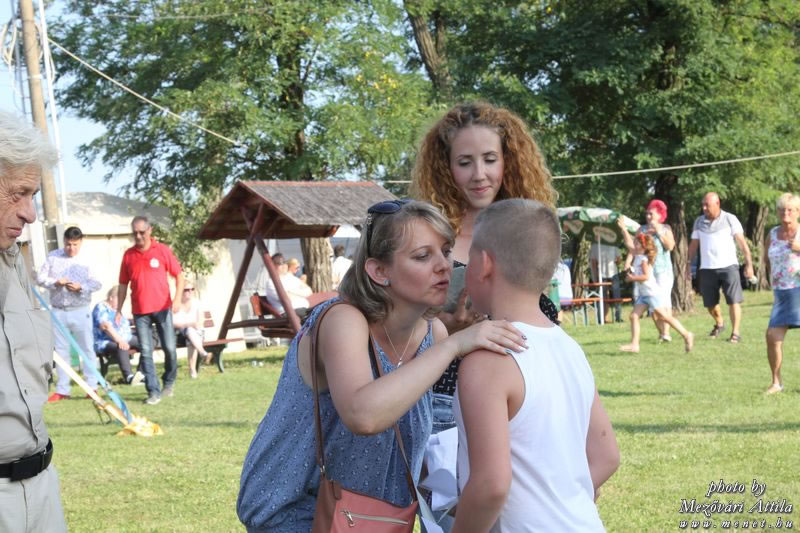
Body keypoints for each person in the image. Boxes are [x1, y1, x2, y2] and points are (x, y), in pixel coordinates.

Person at [237, 200, 527, 532]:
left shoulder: (433, 333)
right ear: (379, 271)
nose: (443, 266)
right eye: (422, 256)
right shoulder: (343, 320)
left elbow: (412, 437)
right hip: (296, 514)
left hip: (375, 519)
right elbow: (364, 415)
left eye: (446, 251)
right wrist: (453, 347)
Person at [411, 101, 559, 529]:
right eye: (465, 162)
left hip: (525, 405)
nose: (479, 174)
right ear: (446, 168)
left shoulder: (527, 226)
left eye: (490, 159)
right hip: (445, 411)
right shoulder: (429, 238)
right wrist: (446, 329)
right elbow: (394, 334)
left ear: (508, 160)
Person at [452, 199, 620, 532]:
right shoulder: (570, 348)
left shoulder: (489, 359)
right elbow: (606, 456)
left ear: (483, 264)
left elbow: (491, 486)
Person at [0, 110, 67, 531]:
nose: (30, 214)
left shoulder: (13, 261)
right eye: (18, 194)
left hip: (40, 485)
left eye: (33, 195)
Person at [116, 215, 184, 405]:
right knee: (146, 351)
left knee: (170, 348)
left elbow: (179, 275)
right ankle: (153, 391)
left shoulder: (162, 250)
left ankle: (169, 382)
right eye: (134, 233)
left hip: (163, 309)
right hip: (140, 311)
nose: (138, 236)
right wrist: (119, 310)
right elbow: (122, 285)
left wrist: (177, 299)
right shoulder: (128, 255)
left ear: (150, 230)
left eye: (141, 232)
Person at [37, 226, 102, 402]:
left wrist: (81, 287)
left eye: (74, 245)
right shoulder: (53, 257)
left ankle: (92, 387)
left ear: (80, 242)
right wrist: (55, 282)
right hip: (59, 310)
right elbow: (40, 278)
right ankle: (63, 389)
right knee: (61, 351)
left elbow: (97, 283)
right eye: (68, 244)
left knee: (87, 348)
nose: (71, 248)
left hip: (80, 309)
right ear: (63, 241)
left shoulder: (87, 259)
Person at [620, 234, 694, 354]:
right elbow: (629, 244)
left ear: (643, 246)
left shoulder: (643, 260)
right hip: (644, 294)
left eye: (637, 243)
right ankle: (634, 345)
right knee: (633, 316)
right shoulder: (637, 256)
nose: (634, 244)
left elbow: (646, 276)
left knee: (664, 317)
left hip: (652, 294)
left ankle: (686, 334)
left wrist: (632, 278)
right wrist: (623, 229)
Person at [620, 199, 676, 342]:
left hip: (663, 272)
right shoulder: (642, 229)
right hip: (647, 274)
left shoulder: (666, 228)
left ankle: (666, 333)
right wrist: (628, 262)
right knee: (653, 306)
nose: (648, 216)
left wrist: (658, 232)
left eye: (651, 214)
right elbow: (634, 248)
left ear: (660, 214)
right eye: (647, 214)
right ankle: (662, 333)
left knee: (663, 302)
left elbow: (670, 246)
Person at [763, 193, 800, 394]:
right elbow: (766, 258)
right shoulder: (773, 233)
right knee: (772, 336)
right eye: (782, 209)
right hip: (781, 292)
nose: (785, 213)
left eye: (790, 209)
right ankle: (776, 383)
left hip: (798, 289)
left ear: (798, 212)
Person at [92, 285, 145, 385]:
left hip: (125, 337)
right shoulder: (101, 307)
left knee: (145, 344)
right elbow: (105, 326)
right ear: (111, 297)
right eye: (120, 299)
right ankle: (129, 377)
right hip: (105, 341)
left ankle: (140, 374)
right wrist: (119, 340)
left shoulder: (116, 309)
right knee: (121, 346)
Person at [172, 281, 211, 378]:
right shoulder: (175, 304)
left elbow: (200, 322)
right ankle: (202, 353)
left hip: (196, 333)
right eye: (187, 290)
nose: (190, 291)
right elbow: (174, 323)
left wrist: (192, 326)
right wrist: (189, 324)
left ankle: (193, 371)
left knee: (191, 335)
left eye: (192, 289)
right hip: (179, 335)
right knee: (190, 331)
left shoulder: (197, 303)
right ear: (180, 291)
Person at [257, 252, 313, 317]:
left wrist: (291, 292)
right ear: (273, 266)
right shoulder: (271, 283)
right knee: (317, 314)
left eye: (285, 262)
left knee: (320, 310)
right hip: (288, 314)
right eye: (280, 263)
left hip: (302, 310)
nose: (284, 265)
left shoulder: (291, 278)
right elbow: (286, 298)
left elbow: (309, 291)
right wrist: (301, 294)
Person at [589, 242, 622, 323]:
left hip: (601, 274)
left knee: (602, 297)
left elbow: (593, 262)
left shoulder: (595, 246)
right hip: (613, 272)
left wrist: (595, 277)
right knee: (616, 296)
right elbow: (619, 260)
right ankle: (618, 317)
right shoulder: (613, 244)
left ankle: (601, 318)